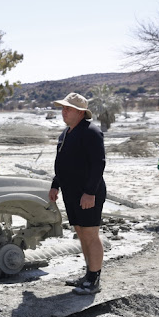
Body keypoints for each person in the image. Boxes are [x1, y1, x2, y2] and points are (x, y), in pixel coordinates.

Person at [48, 92, 106, 295]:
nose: (63, 112)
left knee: (91, 234)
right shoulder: (66, 133)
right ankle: (88, 274)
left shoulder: (91, 132)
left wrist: (90, 192)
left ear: (81, 112)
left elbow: (99, 164)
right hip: (71, 192)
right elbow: (61, 163)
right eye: (63, 108)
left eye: (68, 108)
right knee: (81, 233)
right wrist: (56, 185)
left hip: (88, 193)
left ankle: (94, 279)